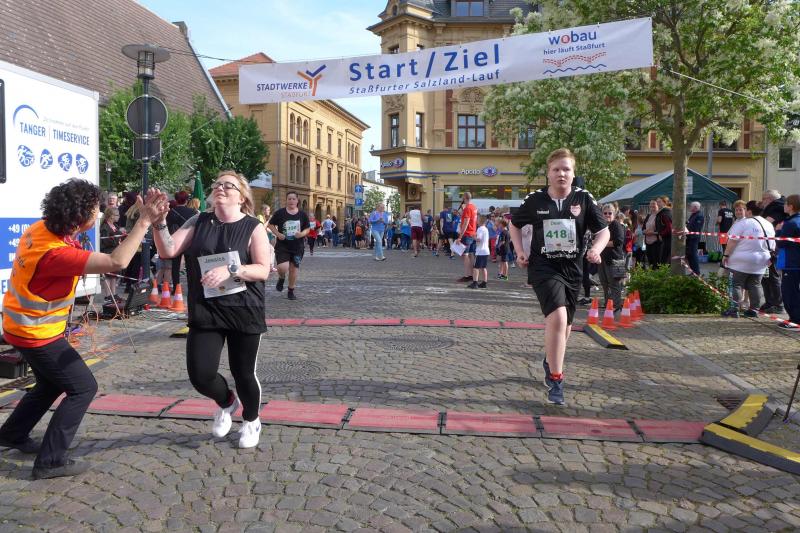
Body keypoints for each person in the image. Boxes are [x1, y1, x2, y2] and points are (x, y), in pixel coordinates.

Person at [0, 179, 164, 479]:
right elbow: (117, 261)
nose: (98, 214)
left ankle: (12, 434)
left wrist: (133, 219)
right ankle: (50, 462)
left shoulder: (41, 229)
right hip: (36, 334)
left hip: (20, 327)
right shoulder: (55, 253)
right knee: (83, 388)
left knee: (50, 384)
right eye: (94, 210)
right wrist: (143, 222)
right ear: (78, 217)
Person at [151, 171, 271, 449]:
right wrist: (158, 223)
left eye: (229, 186)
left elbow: (263, 270)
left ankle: (251, 420)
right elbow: (168, 249)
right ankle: (227, 402)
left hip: (244, 308)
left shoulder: (253, 227)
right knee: (200, 374)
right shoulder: (199, 221)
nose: (221, 188)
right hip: (206, 308)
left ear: (242, 197)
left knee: (243, 373)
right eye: (217, 184)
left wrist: (231, 270)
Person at [510, 148, 609, 406]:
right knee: (558, 317)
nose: (561, 174)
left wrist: (596, 250)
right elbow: (514, 224)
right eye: (556, 169)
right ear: (548, 174)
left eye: (566, 169)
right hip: (543, 267)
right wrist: (519, 251)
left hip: (573, 270)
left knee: (565, 327)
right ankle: (556, 379)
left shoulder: (584, 198)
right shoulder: (535, 200)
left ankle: (550, 359)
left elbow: (604, 231)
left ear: (573, 173)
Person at [722, 200, 773, 318]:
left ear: (749, 211)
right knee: (755, 285)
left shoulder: (743, 223)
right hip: (761, 260)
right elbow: (772, 244)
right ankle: (754, 310)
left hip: (741, 259)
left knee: (736, 284)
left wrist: (726, 255)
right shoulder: (768, 224)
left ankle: (734, 309)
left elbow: (732, 241)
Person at [269, 191, 310, 301]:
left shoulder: (302, 214)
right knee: (282, 267)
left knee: (293, 269)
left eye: (293, 199)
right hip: (283, 245)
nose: (291, 201)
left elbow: (307, 228)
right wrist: (278, 234)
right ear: (286, 200)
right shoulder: (280, 213)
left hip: (297, 247)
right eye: (289, 199)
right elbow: (270, 225)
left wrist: (301, 234)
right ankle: (281, 277)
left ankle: (291, 290)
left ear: (297, 201)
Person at [167, 191, 198, 294]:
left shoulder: (171, 212)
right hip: (189, 241)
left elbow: (167, 227)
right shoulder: (192, 212)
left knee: (175, 266)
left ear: (176, 200)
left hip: (175, 240)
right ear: (186, 200)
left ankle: (176, 288)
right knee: (190, 265)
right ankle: (191, 287)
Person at [777, 194, 800, 329]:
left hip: (791, 263)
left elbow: (781, 243)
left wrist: (778, 231)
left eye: (785, 204)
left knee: (789, 292)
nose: (784, 206)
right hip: (796, 262)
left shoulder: (790, 223)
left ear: (791, 206)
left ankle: (795, 320)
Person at [761, 190, 785, 313]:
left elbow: (764, 223)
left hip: (774, 247)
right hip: (769, 246)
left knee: (773, 275)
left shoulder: (777, 208)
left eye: (763, 199)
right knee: (766, 275)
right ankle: (769, 302)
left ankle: (778, 304)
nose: (762, 202)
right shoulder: (776, 207)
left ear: (769, 199)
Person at [598, 204, 625, 312]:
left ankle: (616, 306)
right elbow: (593, 239)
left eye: (610, 213)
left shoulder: (617, 225)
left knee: (615, 284)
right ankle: (608, 304)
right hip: (602, 258)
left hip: (615, 259)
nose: (607, 215)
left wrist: (601, 243)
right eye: (605, 213)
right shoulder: (601, 225)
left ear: (614, 214)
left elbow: (619, 241)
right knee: (604, 283)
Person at [98, 207, 124, 301]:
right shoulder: (105, 227)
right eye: (117, 215)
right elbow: (106, 242)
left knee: (114, 275)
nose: (119, 217)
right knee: (108, 275)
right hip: (107, 253)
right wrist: (118, 235)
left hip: (115, 253)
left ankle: (114, 294)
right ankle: (108, 295)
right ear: (111, 216)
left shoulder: (115, 226)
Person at [455, 192, 478, 282]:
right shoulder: (474, 207)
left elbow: (466, 223)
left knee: (465, 255)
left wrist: (460, 237)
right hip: (472, 233)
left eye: (462, 198)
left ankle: (467, 275)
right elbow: (472, 220)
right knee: (471, 254)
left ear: (464, 198)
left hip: (467, 234)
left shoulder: (467, 208)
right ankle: (472, 274)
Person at [468, 215, 490, 289]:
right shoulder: (486, 229)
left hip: (480, 251)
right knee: (483, 267)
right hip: (486, 250)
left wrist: (473, 236)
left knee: (476, 267)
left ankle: (475, 283)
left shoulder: (480, 229)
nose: (476, 221)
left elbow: (479, 239)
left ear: (480, 221)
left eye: (477, 219)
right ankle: (484, 282)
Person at [684, 201, 705, 275]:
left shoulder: (699, 216)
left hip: (693, 238)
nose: (690, 208)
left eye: (691, 206)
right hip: (689, 238)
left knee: (693, 255)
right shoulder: (693, 215)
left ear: (695, 207)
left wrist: (687, 232)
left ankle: (696, 272)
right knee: (690, 255)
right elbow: (689, 224)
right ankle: (693, 272)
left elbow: (695, 228)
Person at [643, 200, 661, 268]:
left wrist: (653, 232)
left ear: (657, 205)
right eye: (650, 204)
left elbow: (661, 230)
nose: (652, 206)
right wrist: (644, 231)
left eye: (654, 204)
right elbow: (643, 227)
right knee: (650, 261)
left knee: (656, 261)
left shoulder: (659, 216)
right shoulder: (648, 216)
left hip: (656, 242)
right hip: (648, 242)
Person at [656, 196, 673, 266]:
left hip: (668, 239)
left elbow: (669, 228)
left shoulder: (665, 213)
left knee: (665, 260)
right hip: (666, 239)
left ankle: (665, 273)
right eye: (657, 202)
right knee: (665, 259)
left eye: (659, 202)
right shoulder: (662, 212)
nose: (657, 203)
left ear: (664, 203)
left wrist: (661, 234)